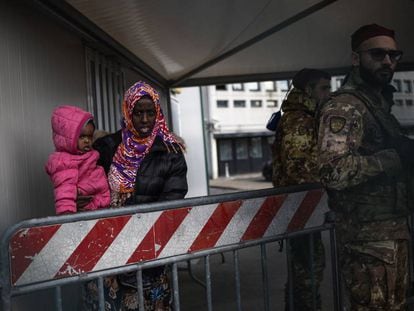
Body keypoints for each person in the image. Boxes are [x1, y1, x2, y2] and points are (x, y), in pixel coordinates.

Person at [317, 24, 414, 310]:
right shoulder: (345, 106)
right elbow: (332, 171)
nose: (387, 61)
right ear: (356, 58)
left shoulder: (377, 104)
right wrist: (393, 158)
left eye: (393, 55)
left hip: (390, 234)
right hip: (367, 242)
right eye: (378, 53)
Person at [83, 81, 188, 311]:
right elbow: (86, 180)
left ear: (158, 113)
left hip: (152, 250)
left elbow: (174, 195)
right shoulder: (107, 147)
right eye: (138, 112)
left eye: (150, 113)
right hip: (111, 254)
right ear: (128, 111)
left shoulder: (170, 152)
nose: (144, 119)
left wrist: (138, 230)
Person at [271, 69, 331, 310]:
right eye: (324, 88)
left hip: (305, 209)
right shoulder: (299, 120)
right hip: (301, 208)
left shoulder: (307, 116)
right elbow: (299, 171)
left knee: (308, 270)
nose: (329, 93)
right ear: (308, 91)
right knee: (307, 272)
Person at [45, 105, 110, 214]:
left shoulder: (91, 155)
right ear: (68, 137)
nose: (87, 141)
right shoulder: (64, 163)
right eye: (82, 137)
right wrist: (67, 215)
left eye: (89, 137)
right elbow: (64, 193)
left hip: (101, 210)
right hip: (83, 214)